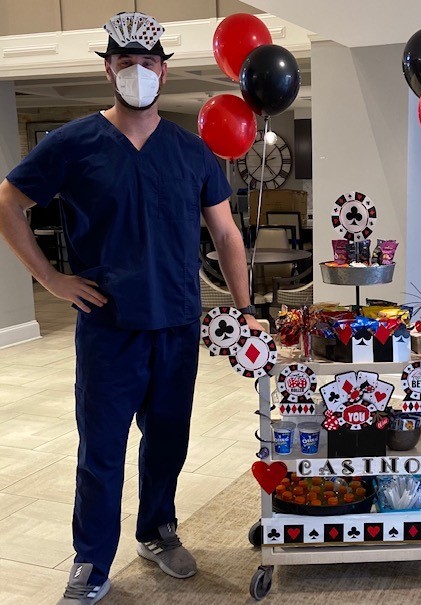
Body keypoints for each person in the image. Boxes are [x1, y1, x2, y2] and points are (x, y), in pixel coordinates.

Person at [0, 12, 262, 605]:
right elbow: (8, 202)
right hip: (107, 328)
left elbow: (226, 235)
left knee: (168, 439)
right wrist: (50, 279)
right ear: (108, 70)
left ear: (163, 71)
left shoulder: (192, 153)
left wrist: (245, 307)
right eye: (125, 64)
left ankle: (155, 530)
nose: (137, 73)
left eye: (148, 63)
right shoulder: (73, 143)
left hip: (174, 322)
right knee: (102, 449)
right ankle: (92, 560)